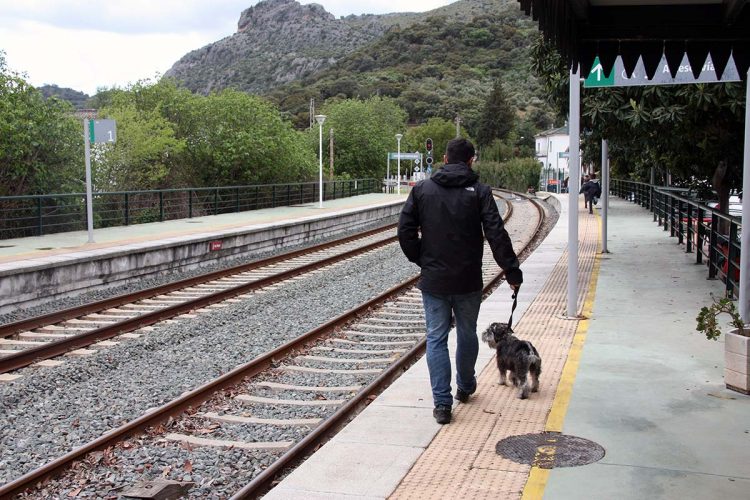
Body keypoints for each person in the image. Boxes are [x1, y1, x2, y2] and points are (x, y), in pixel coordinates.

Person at [397, 138, 523, 425]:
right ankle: (465, 387)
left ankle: (442, 404)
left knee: (436, 338)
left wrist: (422, 259)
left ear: (444, 158)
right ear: (471, 161)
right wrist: (512, 272)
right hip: (468, 279)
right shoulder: (479, 191)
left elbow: (404, 231)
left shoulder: (423, 190)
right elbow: (496, 234)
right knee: (467, 332)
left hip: (435, 281)